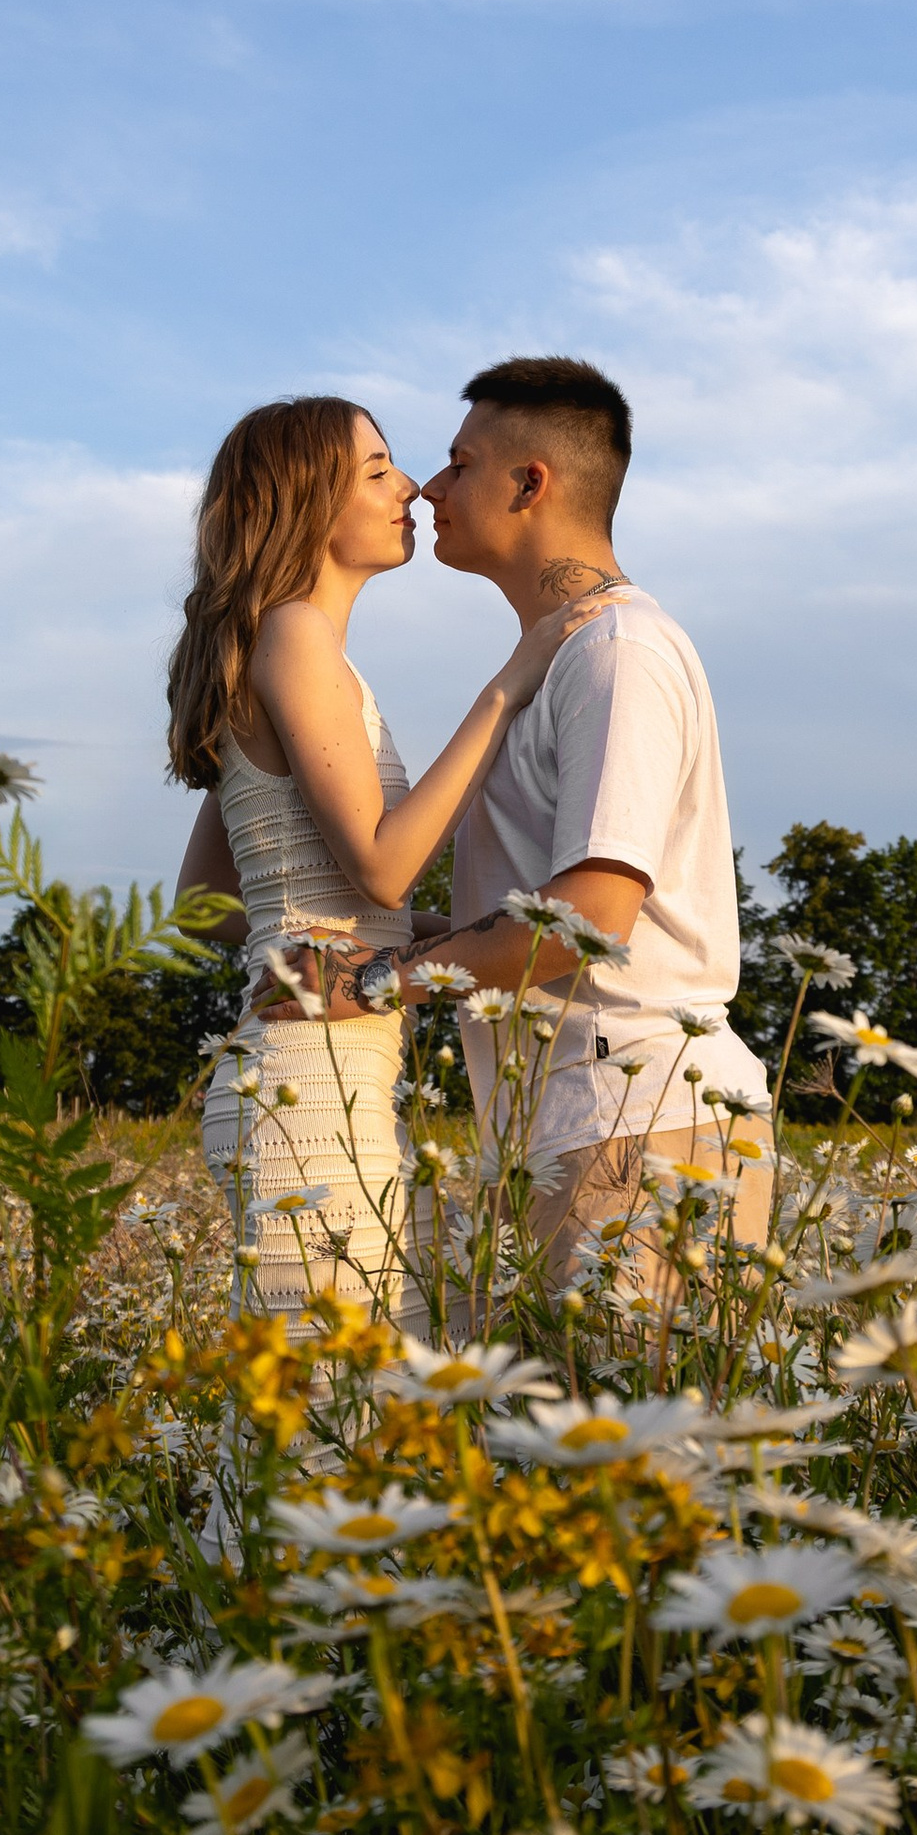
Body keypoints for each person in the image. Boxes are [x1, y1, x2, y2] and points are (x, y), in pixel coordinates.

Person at [298, 355, 774, 1303]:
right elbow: (545, 908)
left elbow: (593, 914)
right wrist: (407, 938)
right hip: (578, 1124)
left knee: (643, 1444)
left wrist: (376, 982)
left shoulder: (616, 654)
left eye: (458, 462)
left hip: (640, 1120)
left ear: (530, 483)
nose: (431, 487)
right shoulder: (562, 661)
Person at [167, 393, 592, 1315]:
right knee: (336, 1416)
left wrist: (367, 942)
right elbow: (382, 866)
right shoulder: (295, 636)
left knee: (367, 1394)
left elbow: (201, 898)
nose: (408, 486)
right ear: (308, 504)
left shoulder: (275, 646)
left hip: (314, 1074)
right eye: (377, 471)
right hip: (306, 1090)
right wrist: (505, 691)